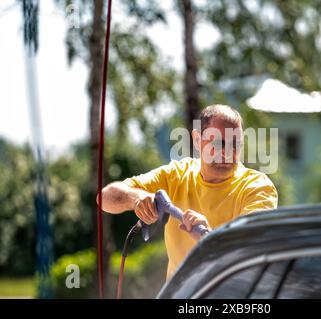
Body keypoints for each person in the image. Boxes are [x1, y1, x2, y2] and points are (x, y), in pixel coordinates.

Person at [99, 104, 278, 279]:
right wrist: (137, 198)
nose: (227, 152)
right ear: (198, 141)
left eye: (235, 143)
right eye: (218, 142)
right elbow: (105, 197)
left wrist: (209, 237)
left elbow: (251, 248)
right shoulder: (176, 174)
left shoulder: (257, 187)